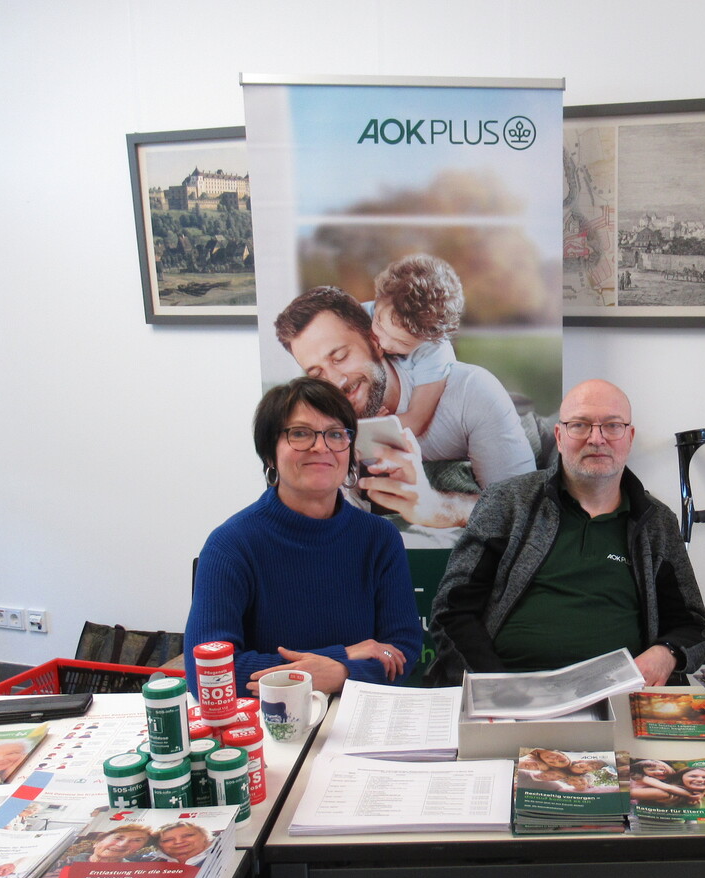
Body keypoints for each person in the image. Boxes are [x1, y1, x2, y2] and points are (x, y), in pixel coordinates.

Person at [426, 378, 705, 878]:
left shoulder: (654, 525)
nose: (596, 438)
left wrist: (666, 657)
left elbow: (693, 627)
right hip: (500, 699)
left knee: (662, 818)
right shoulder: (510, 502)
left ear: (629, 438)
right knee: (456, 822)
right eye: (581, 424)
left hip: (613, 707)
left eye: (611, 426)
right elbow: (453, 607)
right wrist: (499, 687)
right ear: (558, 437)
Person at [184, 376, 422, 697]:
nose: (321, 446)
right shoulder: (231, 545)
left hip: (356, 721)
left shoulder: (379, 538)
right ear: (270, 454)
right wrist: (341, 659)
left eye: (336, 434)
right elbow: (208, 675)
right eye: (300, 433)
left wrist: (340, 674)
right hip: (267, 729)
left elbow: (402, 651)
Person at [273, 287, 535, 531]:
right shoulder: (323, 425)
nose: (336, 382)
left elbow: (523, 510)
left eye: (340, 357)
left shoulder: (470, 390)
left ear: (375, 342)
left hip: (515, 423)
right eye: (317, 373)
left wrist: (438, 507)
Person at [365, 254, 463, 438]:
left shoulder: (435, 351)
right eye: (378, 323)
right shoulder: (360, 314)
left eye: (402, 342)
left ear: (428, 339)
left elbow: (416, 421)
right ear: (378, 299)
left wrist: (371, 426)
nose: (383, 343)